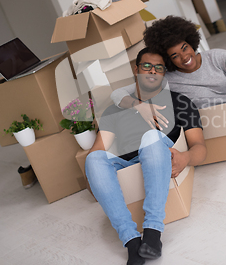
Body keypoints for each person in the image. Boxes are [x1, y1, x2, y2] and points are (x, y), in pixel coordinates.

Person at [84, 48, 207, 265]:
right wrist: (94, 178)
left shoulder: (179, 102)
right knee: (92, 159)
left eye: (159, 68)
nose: (152, 71)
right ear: (136, 69)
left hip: (159, 153)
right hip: (127, 163)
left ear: (164, 73)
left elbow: (199, 146)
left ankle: (152, 232)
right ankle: (131, 241)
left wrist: (185, 158)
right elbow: (98, 149)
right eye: (146, 66)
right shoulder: (115, 110)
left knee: (151, 136)